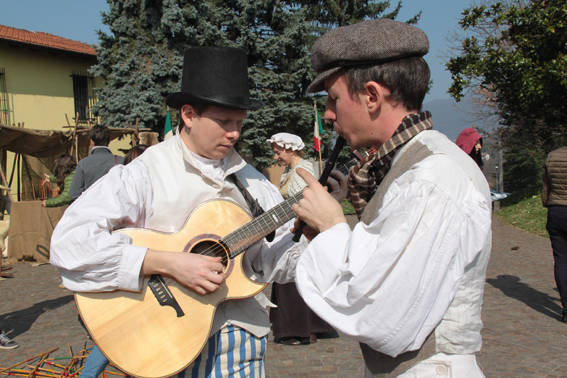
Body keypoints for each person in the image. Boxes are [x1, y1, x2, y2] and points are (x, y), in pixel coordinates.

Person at [50, 46, 304, 377]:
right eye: (224, 121)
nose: (235, 133)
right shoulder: (144, 173)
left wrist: (307, 232)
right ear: (188, 114)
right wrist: (166, 262)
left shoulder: (252, 181)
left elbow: (274, 266)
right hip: (160, 343)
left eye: (240, 122)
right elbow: (69, 242)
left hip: (239, 344)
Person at [291, 19, 492, 376]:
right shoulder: (407, 165)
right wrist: (324, 235)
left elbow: (382, 315)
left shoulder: (432, 177)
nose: (328, 114)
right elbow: (385, 264)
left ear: (371, 96)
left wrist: (333, 226)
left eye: (334, 99)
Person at [266, 133, 336, 345]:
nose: (277, 157)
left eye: (279, 152)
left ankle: (298, 329)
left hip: (301, 231)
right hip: (295, 229)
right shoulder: (292, 170)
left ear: (289, 148)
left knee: (292, 277)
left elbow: (304, 204)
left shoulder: (300, 171)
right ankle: (314, 326)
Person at [541, 146, 567, 323]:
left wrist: (547, 202)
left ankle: (566, 307)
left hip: (556, 211)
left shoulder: (553, 156)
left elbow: (546, 185)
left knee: (561, 260)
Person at [68, 125, 124, 202]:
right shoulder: (121, 161)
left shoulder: (83, 164)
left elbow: (73, 194)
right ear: (109, 140)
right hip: (116, 211)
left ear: (91, 141)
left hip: (91, 211)